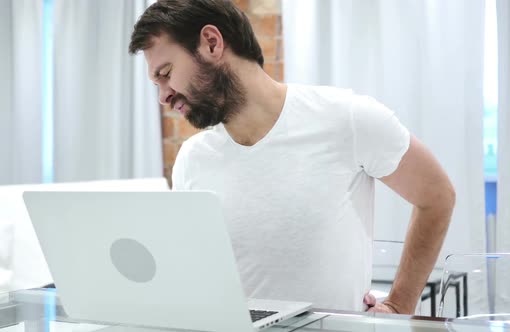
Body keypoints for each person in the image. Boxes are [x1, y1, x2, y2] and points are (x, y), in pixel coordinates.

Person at [129, 0, 455, 314]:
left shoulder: (348, 118)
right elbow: (198, 271)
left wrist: (399, 305)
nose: (163, 96)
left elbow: (437, 197)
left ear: (212, 44)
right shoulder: (192, 158)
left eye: (166, 73)